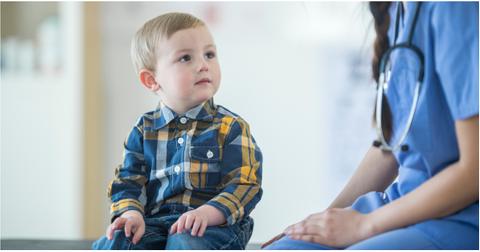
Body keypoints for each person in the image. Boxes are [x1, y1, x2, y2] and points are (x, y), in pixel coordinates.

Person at [263, 2, 478, 250]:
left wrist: (365, 225)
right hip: (401, 207)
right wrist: (318, 224)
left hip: (458, 218)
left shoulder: (452, 8)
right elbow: (391, 147)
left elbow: (474, 173)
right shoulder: (400, 12)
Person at [92, 12, 262, 250]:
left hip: (213, 227)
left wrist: (208, 213)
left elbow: (245, 184)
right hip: (154, 224)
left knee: (185, 241)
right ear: (151, 80)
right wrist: (131, 213)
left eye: (209, 54)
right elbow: (128, 181)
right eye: (185, 58)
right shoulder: (144, 130)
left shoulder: (230, 127)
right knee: (115, 242)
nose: (203, 65)